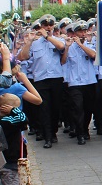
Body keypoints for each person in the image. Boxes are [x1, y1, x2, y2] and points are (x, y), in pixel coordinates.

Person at [17, 14, 65, 149]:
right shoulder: (35, 43)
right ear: (41, 26)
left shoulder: (56, 39)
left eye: (50, 25)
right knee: (44, 109)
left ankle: (53, 132)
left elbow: (61, 47)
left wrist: (47, 37)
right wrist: (29, 42)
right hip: (41, 79)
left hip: (56, 77)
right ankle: (47, 137)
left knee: (56, 108)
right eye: (45, 25)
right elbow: (23, 56)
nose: (48, 27)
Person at [61, 21, 97, 145]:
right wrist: (67, 47)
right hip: (75, 82)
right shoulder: (70, 46)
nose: (82, 34)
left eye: (84, 31)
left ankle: (85, 128)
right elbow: (63, 61)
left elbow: (93, 55)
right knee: (77, 108)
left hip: (89, 81)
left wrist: (81, 44)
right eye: (79, 32)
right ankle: (80, 133)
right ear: (75, 33)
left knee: (89, 108)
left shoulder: (90, 44)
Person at [0, 93, 28, 185]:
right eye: (17, 107)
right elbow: (23, 119)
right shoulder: (5, 120)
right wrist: (13, 110)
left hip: (9, 161)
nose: (18, 110)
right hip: (9, 162)